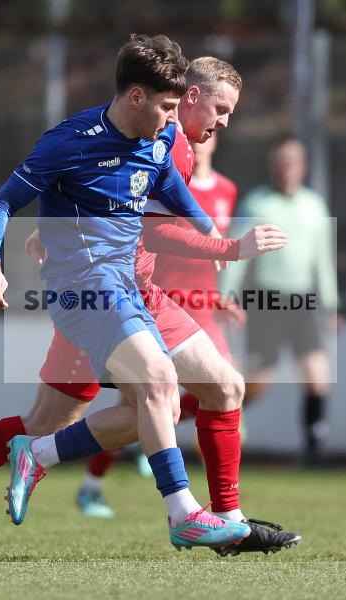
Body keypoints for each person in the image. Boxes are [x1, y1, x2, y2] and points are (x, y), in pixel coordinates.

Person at [0, 34, 250, 557]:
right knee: (155, 394)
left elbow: (167, 196)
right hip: (93, 292)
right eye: (218, 109)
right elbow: (12, 203)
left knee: (206, 391)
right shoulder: (109, 137)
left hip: (138, 292)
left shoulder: (161, 142)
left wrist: (209, 239)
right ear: (151, 98)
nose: (220, 123)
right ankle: (183, 513)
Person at [77, 132, 242, 515]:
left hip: (201, 306)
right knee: (138, 404)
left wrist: (220, 297)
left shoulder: (226, 189)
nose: (200, 144)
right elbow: (151, 243)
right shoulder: (164, 180)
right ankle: (93, 482)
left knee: (227, 388)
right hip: (161, 300)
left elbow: (212, 255)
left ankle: (224, 507)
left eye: (213, 134)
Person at [221, 137, 340, 465]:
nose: (286, 167)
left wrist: (330, 306)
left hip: (301, 301)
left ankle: (314, 450)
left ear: (304, 166)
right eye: (280, 161)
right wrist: (224, 295)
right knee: (258, 383)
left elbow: (322, 261)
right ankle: (217, 413)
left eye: (292, 160)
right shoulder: (256, 204)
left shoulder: (314, 206)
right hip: (265, 300)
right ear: (272, 165)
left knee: (317, 373)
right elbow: (235, 251)